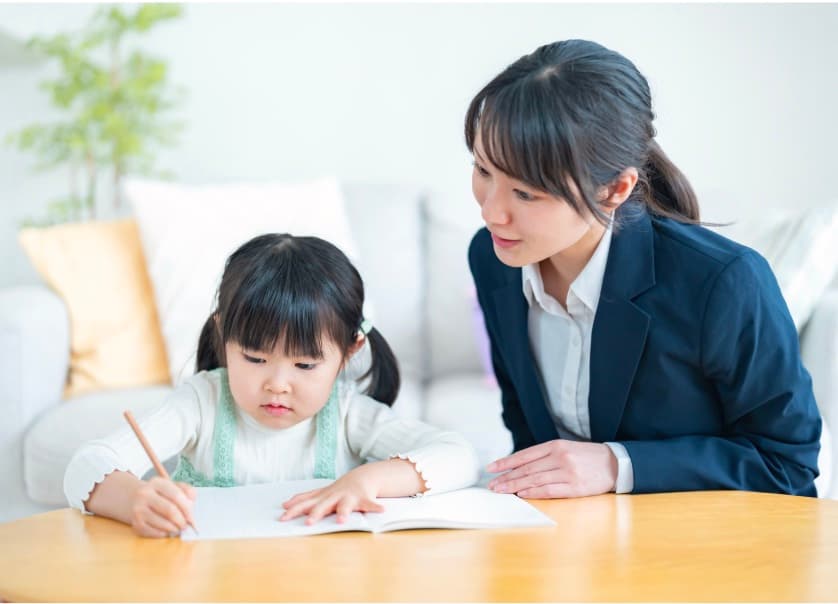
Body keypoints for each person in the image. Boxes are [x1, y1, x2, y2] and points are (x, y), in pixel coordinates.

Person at [466, 39, 821, 499]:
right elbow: (524, 422)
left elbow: (787, 465)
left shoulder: (725, 281)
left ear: (615, 188)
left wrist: (618, 466)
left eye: (526, 193)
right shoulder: (494, 258)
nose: (492, 213)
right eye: (483, 171)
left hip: (696, 544)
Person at [64, 233, 479, 537]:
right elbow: (86, 465)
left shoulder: (349, 412)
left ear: (349, 353)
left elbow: (458, 456)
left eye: (305, 364)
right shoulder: (202, 402)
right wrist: (135, 499)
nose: (278, 384)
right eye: (255, 359)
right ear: (222, 335)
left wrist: (366, 481)